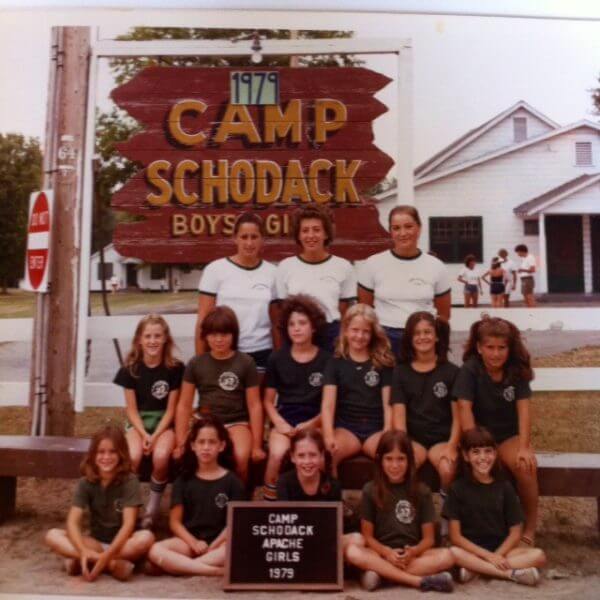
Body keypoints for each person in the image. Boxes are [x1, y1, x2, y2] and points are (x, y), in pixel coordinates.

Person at [453, 317, 538, 545]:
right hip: (480, 436)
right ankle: (470, 530)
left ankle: (530, 528)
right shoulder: (470, 369)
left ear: (510, 348)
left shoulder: (516, 370)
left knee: (525, 466)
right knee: (475, 468)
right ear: (479, 347)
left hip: (509, 437)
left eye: (502, 348)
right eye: (490, 347)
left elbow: (524, 410)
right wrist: (474, 447)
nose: (496, 353)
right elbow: (464, 408)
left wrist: (524, 447)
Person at [344, 430, 454, 592]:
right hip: (380, 554)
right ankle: (418, 581)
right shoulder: (370, 490)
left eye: (401, 459)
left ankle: (380, 574)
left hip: (412, 556)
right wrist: (386, 552)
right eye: (389, 459)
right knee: (353, 552)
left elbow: (429, 539)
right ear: (379, 460)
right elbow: (367, 536)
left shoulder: (422, 491)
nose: (395, 465)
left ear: (410, 460)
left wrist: (414, 551)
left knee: (447, 556)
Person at [45, 426, 154, 581]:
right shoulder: (85, 482)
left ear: (121, 453)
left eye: (112, 452)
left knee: (146, 538)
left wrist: (106, 556)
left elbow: (128, 525)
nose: (106, 457)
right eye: (101, 452)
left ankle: (87, 562)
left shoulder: (130, 481)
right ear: (93, 454)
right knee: (52, 535)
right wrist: (83, 550)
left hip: (123, 544)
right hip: (95, 543)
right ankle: (111, 565)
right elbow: (72, 522)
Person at [175, 305, 265, 483]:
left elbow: (255, 405)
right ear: (205, 336)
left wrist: (257, 446)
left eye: (224, 334)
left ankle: (238, 497)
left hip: (237, 423)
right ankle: (203, 496)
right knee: (196, 457)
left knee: (240, 457)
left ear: (234, 335)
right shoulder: (196, 363)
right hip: (205, 421)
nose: (218, 339)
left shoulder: (246, 362)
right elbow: (184, 405)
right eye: (213, 334)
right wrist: (180, 444)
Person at [445, 427, 546, 586]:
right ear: (465, 456)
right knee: (453, 552)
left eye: (488, 451)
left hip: (502, 551)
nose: (483, 457)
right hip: (472, 551)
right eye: (476, 452)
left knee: (539, 556)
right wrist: (488, 556)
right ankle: (510, 574)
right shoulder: (457, 489)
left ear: (495, 454)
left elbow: (515, 532)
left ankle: (476, 569)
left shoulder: (504, 487)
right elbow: (455, 537)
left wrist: (496, 555)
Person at [148, 416, 246, 576]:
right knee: (155, 549)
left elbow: (233, 524)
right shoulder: (183, 480)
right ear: (193, 446)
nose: (206, 447)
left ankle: (182, 567)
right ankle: (214, 572)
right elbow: (175, 523)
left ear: (221, 446)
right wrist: (193, 543)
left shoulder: (233, 482)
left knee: (232, 549)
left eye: (212, 442)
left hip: (219, 544)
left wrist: (214, 546)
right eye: (201, 442)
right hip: (188, 542)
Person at [113, 314, 184, 528]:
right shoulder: (130, 369)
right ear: (139, 340)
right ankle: (130, 506)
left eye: (157, 336)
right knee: (133, 456)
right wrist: (145, 434)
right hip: (139, 424)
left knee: (161, 457)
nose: (153, 341)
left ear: (165, 339)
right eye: (148, 336)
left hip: (164, 424)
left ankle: (152, 509)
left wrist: (155, 436)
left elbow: (171, 410)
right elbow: (131, 410)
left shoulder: (175, 368)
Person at [358, 205, 451, 356]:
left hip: (422, 339)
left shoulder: (436, 266)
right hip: (385, 339)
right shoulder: (372, 264)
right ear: (390, 231)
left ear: (419, 228)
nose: (403, 233)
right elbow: (365, 310)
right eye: (396, 228)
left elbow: (444, 315)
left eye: (408, 226)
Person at [262, 295, 330, 501]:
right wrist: (279, 423)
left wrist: (312, 424)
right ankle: (269, 505)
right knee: (277, 455)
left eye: (302, 323)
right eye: (292, 324)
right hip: (286, 421)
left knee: (320, 456)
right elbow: (268, 401)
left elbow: (329, 405)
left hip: (315, 422)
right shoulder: (277, 358)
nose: (297, 329)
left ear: (314, 327)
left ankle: (322, 505)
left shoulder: (327, 360)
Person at [196, 212, 277, 371]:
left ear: (262, 239)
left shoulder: (273, 273)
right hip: (226, 350)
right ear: (235, 238)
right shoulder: (215, 270)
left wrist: (279, 359)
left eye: (254, 237)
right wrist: (199, 363)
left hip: (263, 352)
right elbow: (203, 321)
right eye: (244, 237)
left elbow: (276, 323)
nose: (249, 243)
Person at [321, 303, 395, 474]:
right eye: (355, 330)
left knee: (389, 458)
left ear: (373, 333)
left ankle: (381, 492)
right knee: (328, 457)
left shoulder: (383, 362)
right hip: (347, 428)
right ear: (346, 330)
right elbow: (328, 405)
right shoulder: (335, 362)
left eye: (365, 331)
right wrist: (328, 436)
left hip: (376, 429)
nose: (359, 336)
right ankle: (332, 491)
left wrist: (387, 432)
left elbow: (388, 404)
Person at [391, 311, 460, 494]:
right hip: (413, 440)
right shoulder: (400, 372)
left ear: (436, 336)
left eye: (427, 332)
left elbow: (458, 417)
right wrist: (405, 446)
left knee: (448, 469)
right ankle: (408, 509)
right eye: (417, 333)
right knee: (402, 468)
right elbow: (399, 418)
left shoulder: (452, 372)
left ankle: (447, 508)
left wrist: (452, 446)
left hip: (442, 440)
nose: (422, 337)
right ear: (409, 338)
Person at [275, 205, 357, 352]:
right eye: (305, 230)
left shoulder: (343, 266)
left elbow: (345, 311)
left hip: (330, 336)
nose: (311, 235)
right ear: (298, 235)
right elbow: (282, 311)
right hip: (297, 335)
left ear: (326, 234)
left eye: (316, 230)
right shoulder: (285, 267)